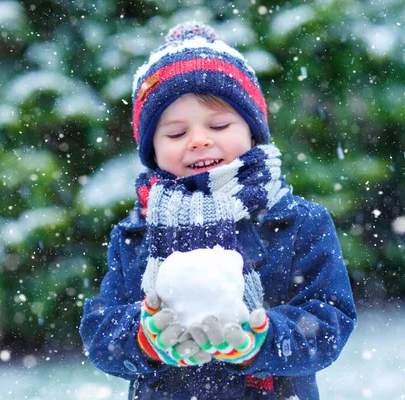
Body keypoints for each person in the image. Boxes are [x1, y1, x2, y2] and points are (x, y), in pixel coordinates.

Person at [80, 21, 357, 400]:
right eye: (176, 133)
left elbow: (329, 320)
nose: (199, 140)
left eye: (219, 124)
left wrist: (263, 339)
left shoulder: (297, 222)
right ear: (153, 150)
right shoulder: (136, 233)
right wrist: (144, 337)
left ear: (252, 130)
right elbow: (100, 331)